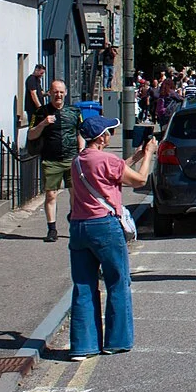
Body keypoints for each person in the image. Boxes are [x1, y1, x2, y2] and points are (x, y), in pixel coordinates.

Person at [67, 115, 155, 360]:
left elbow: (107, 173)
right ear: (102, 136)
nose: (111, 136)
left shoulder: (77, 161)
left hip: (79, 225)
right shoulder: (107, 159)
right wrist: (148, 155)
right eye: (109, 132)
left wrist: (134, 157)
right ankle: (116, 341)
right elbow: (139, 180)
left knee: (84, 286)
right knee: (117, 282)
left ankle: (83, 346)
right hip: (105, 226)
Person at [27, 80, 84, 243]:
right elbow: (31, 135)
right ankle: (52, 229)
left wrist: (81, 151)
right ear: (49, 93)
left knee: (74, 193)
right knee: (51, 194)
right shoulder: (41, 112)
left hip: (71, 158)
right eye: (55, 92)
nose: (58, 95)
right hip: (51, 160)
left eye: (60, 92)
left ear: (65, 93)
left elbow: (80, 133)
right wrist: (44, 123)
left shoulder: (74, 111)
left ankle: (74, 223)